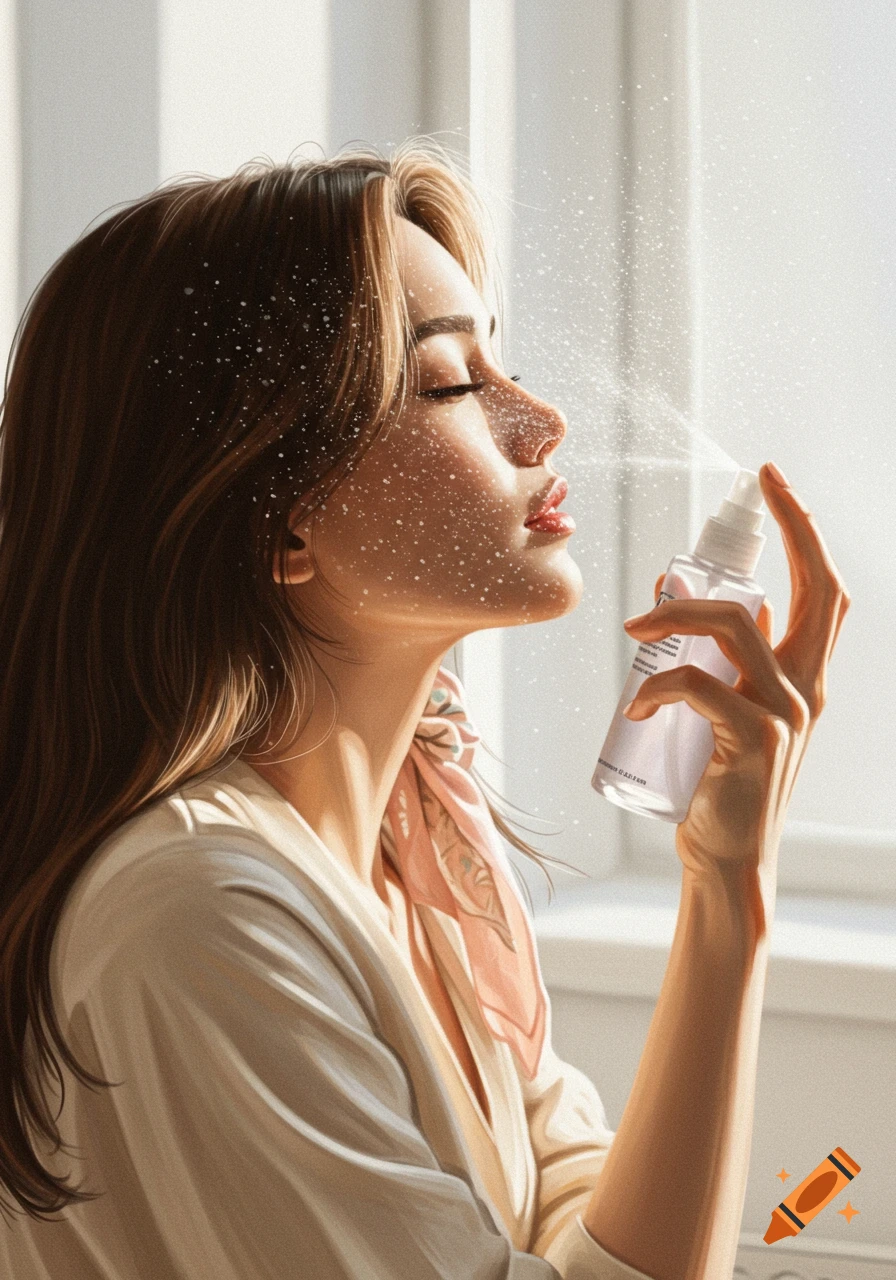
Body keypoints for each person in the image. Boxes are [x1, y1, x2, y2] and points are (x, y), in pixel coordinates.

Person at [0, 143, 850, 1279]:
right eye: (451, 382)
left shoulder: (424, 842)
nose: (541, 419)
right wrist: (729, 902)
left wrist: (726, 880)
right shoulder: (201, 919)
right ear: (280, 519)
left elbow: (589, 1225)